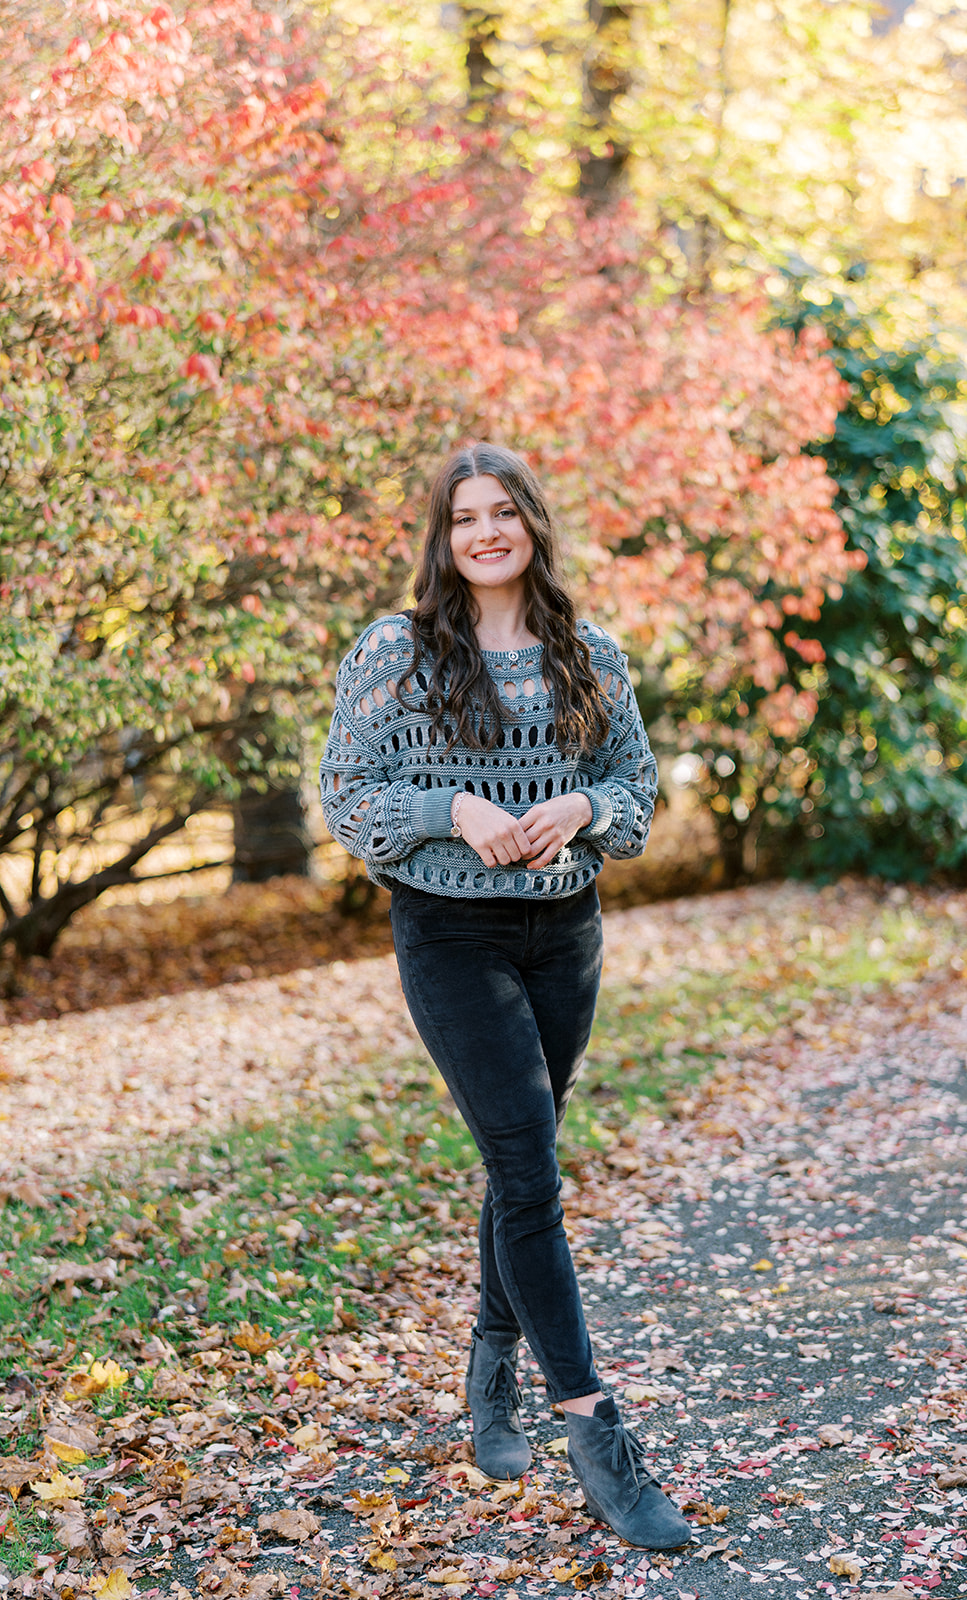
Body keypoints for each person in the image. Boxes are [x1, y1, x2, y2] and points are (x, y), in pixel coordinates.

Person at [319, 442, 691, 1550]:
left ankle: (490, 1354)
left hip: (563, 932)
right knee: (528, 1164)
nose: (484, 532)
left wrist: (578, 808)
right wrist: (454, 810)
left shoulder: (590, 654)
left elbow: (636, 788)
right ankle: (596, 1430)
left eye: (502, 513)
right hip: (448, 930)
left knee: (517, 1157)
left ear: (531, 523)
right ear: (442, 537)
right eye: (462, 517)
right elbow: (349, 797)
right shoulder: (397, 653)